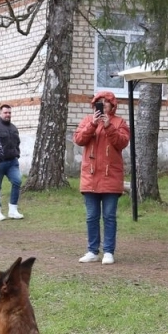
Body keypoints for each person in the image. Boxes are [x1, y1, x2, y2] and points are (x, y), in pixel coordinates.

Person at [73, 91, 131, 264]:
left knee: (109, 216)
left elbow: (122, 142)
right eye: (100, 102)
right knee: (91, 216)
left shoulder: (119, 122)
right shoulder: (87, 120)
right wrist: (93, 124)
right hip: (90, 177)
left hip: (110, 176)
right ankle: (92, 251)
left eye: (106, 102)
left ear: (113, 106)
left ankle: (108, 252)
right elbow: (79, 139)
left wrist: (108, 126)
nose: (103, 104)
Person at [0, 104, 24, 220]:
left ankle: (13, 210)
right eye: (5, 113)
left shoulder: (14, 128)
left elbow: (17, 143)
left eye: (9, 113)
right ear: (0, 113)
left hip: (12, 162)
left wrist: (17, 154)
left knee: (17, 181)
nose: (8, 115)